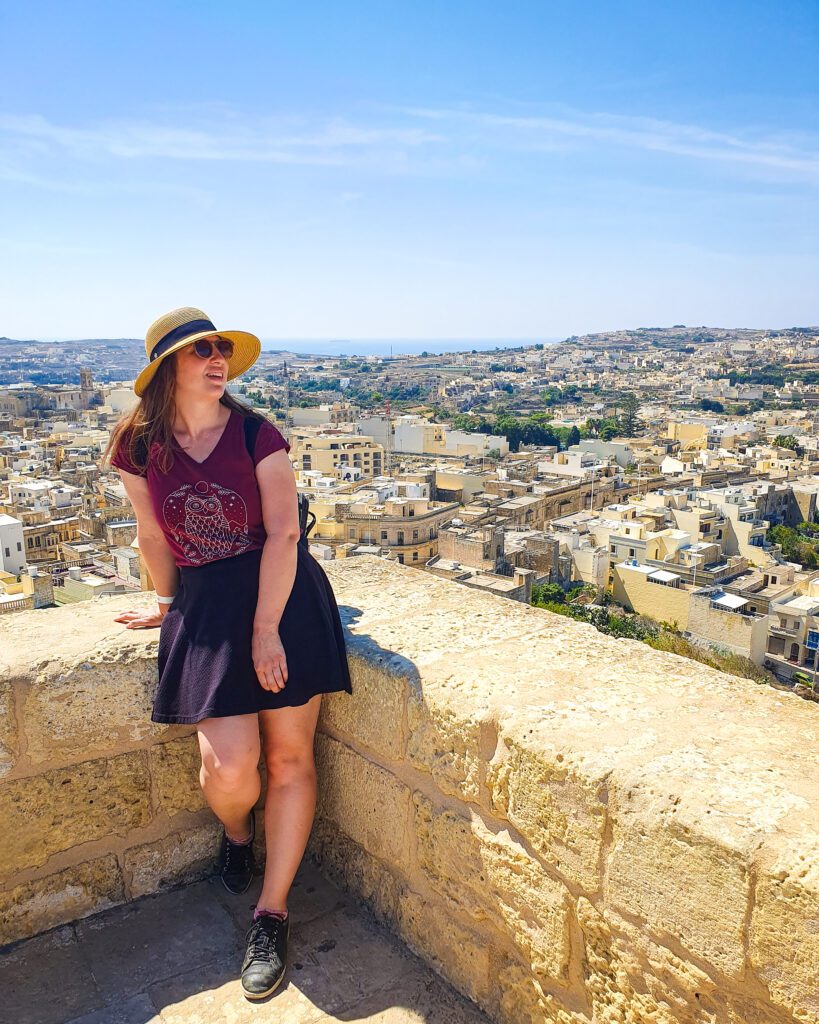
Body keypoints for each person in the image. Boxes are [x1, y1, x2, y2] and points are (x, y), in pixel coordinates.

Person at [102, 306, 353, 1001]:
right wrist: (163, 599)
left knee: (291, 757)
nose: (216, 359)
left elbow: (282, 536)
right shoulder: (138, 443)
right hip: (208, 604)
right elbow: (153, 533)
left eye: (220, 349)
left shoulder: (255, 433)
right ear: (165, 370)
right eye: (198, 351)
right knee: (229, 763)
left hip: (282, 597)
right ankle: (237, 833)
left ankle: (270, 915)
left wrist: (267, 628)